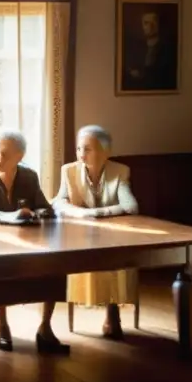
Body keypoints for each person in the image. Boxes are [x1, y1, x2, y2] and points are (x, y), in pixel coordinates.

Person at [0, 128, 67, 354]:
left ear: (19, 157)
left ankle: (45, 327)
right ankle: (1, 325)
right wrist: (12, 217)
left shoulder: (29, 176)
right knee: (0, 269)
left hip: (29, 242)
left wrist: (37, 214)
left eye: (5, 154)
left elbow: (44, 206)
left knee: (53, 267)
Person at [53, 125, 139, 339]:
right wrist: (81, 214)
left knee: (117, 259)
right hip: (79, 233)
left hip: (112, 233)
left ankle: (113, 312)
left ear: (105, 151)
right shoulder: (69, 171)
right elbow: (59, 202)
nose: (81, 154)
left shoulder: (119, 171)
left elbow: (130, 206)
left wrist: (98, 213)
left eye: (88, 149)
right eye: (79, 148)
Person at [123, 10, 177, 91]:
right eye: (146, 23)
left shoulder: (167, 49)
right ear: (142, 26)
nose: (150, 26)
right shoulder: (137, 48)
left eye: (154, 22)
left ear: (159, 25)